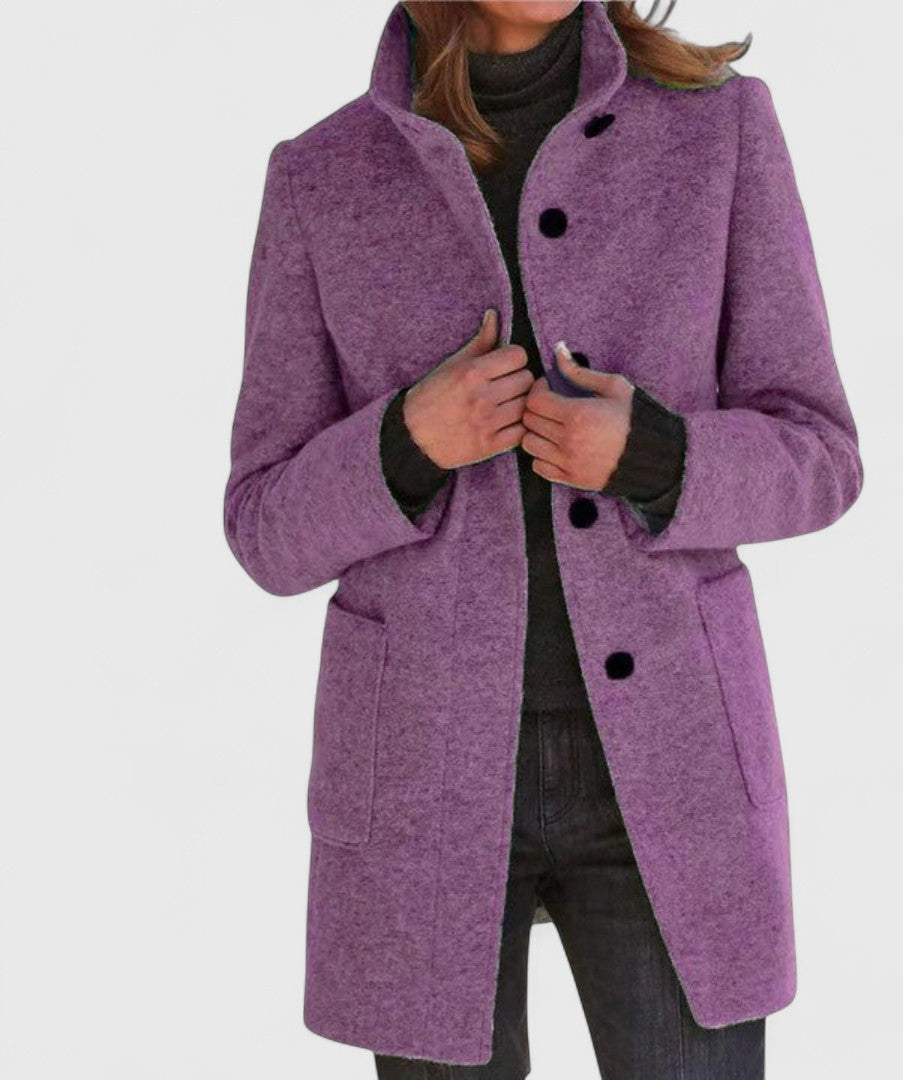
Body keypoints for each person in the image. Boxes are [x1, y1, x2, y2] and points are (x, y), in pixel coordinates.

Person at [223, 2, 863, 1078]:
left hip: (675, 762)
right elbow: (262, 525)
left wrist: (657, 454)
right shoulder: (322, 176)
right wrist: (403, 443)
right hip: (419, 779)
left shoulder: (718, 128)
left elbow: (823, 455)